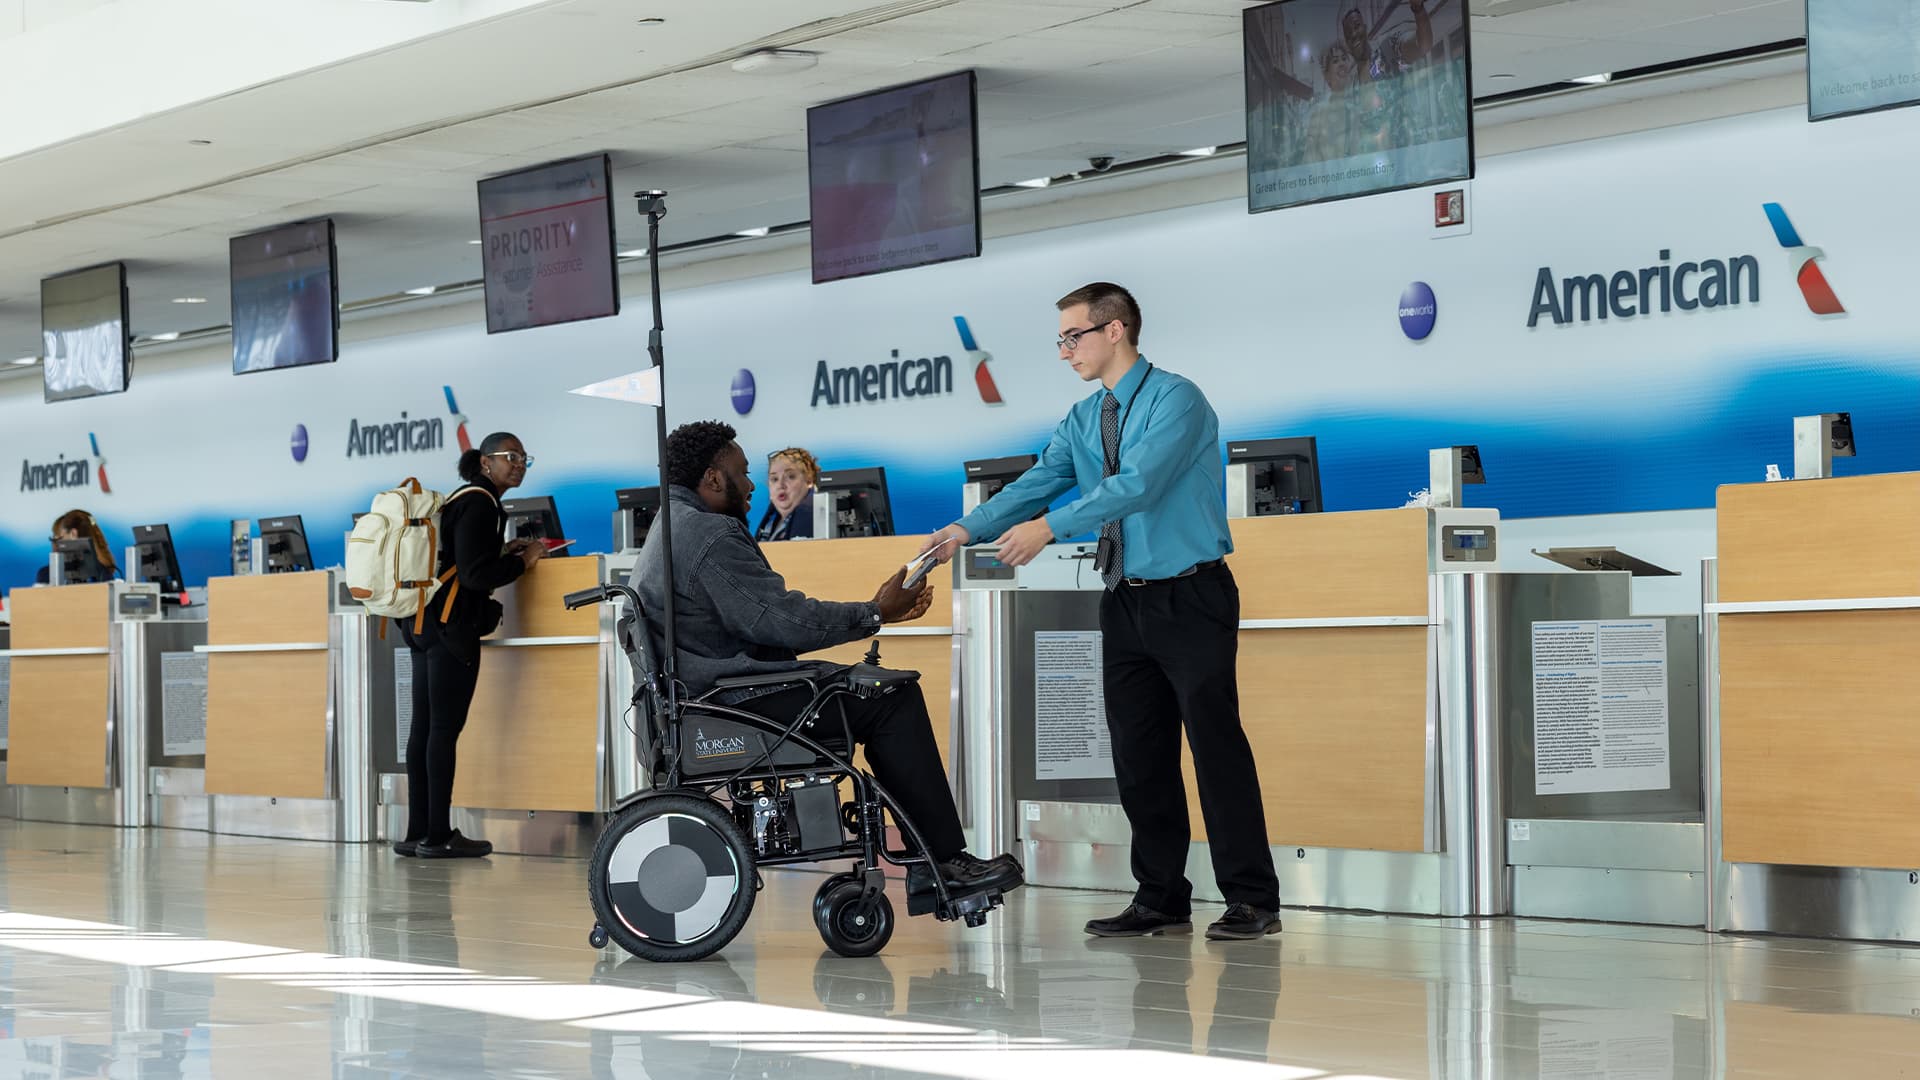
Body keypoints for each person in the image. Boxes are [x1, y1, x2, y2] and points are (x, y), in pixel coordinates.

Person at [918, 282, 1282, 941]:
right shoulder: (1086, 418)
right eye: (1060, 340)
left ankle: (1253, 898)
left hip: (1191, 594)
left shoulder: (1178, 400)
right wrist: (966, 530)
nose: (1064, 352)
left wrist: (1048, 529)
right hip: (1125, 598)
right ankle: (1161, 896)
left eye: (1071, 337)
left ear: (1114, 331)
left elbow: (1136, 485)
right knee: (1139, 756)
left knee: (1214, 747)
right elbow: (1040, 480)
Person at [638, 420, 1023, 911]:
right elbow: (780, 619)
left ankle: (936, 861)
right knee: (890, 697)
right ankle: (940, 863)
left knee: (865, 687)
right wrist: (875, 612)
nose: (754, 485)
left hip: (708, 697)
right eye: (744, 473)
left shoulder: (669, 527)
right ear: (713, 479)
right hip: (732, 704)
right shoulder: (706, 535)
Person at [395, 432, 547, 860]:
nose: (518, 464)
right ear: (485, 462)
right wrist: (523, 560)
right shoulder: (481, 502)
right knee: (442, 731)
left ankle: (417, 832)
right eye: (510, 457)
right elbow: (477, 577)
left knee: (423, 729)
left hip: (424, 623)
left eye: (523, 457)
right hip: (450, 628)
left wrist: (504, 550)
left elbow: (464, 559)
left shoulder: (462, 499)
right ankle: (439, 835)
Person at [754, 447, 820, 542]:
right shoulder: (770, 520)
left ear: (809, 480)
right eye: (774, 479)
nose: (780, 485)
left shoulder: (817, 517)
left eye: (791, 477)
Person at [36, 509, 117, 585]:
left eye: (57, 538)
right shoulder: (104, 573)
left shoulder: (48, 574)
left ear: (73, 534)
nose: (54, 544)